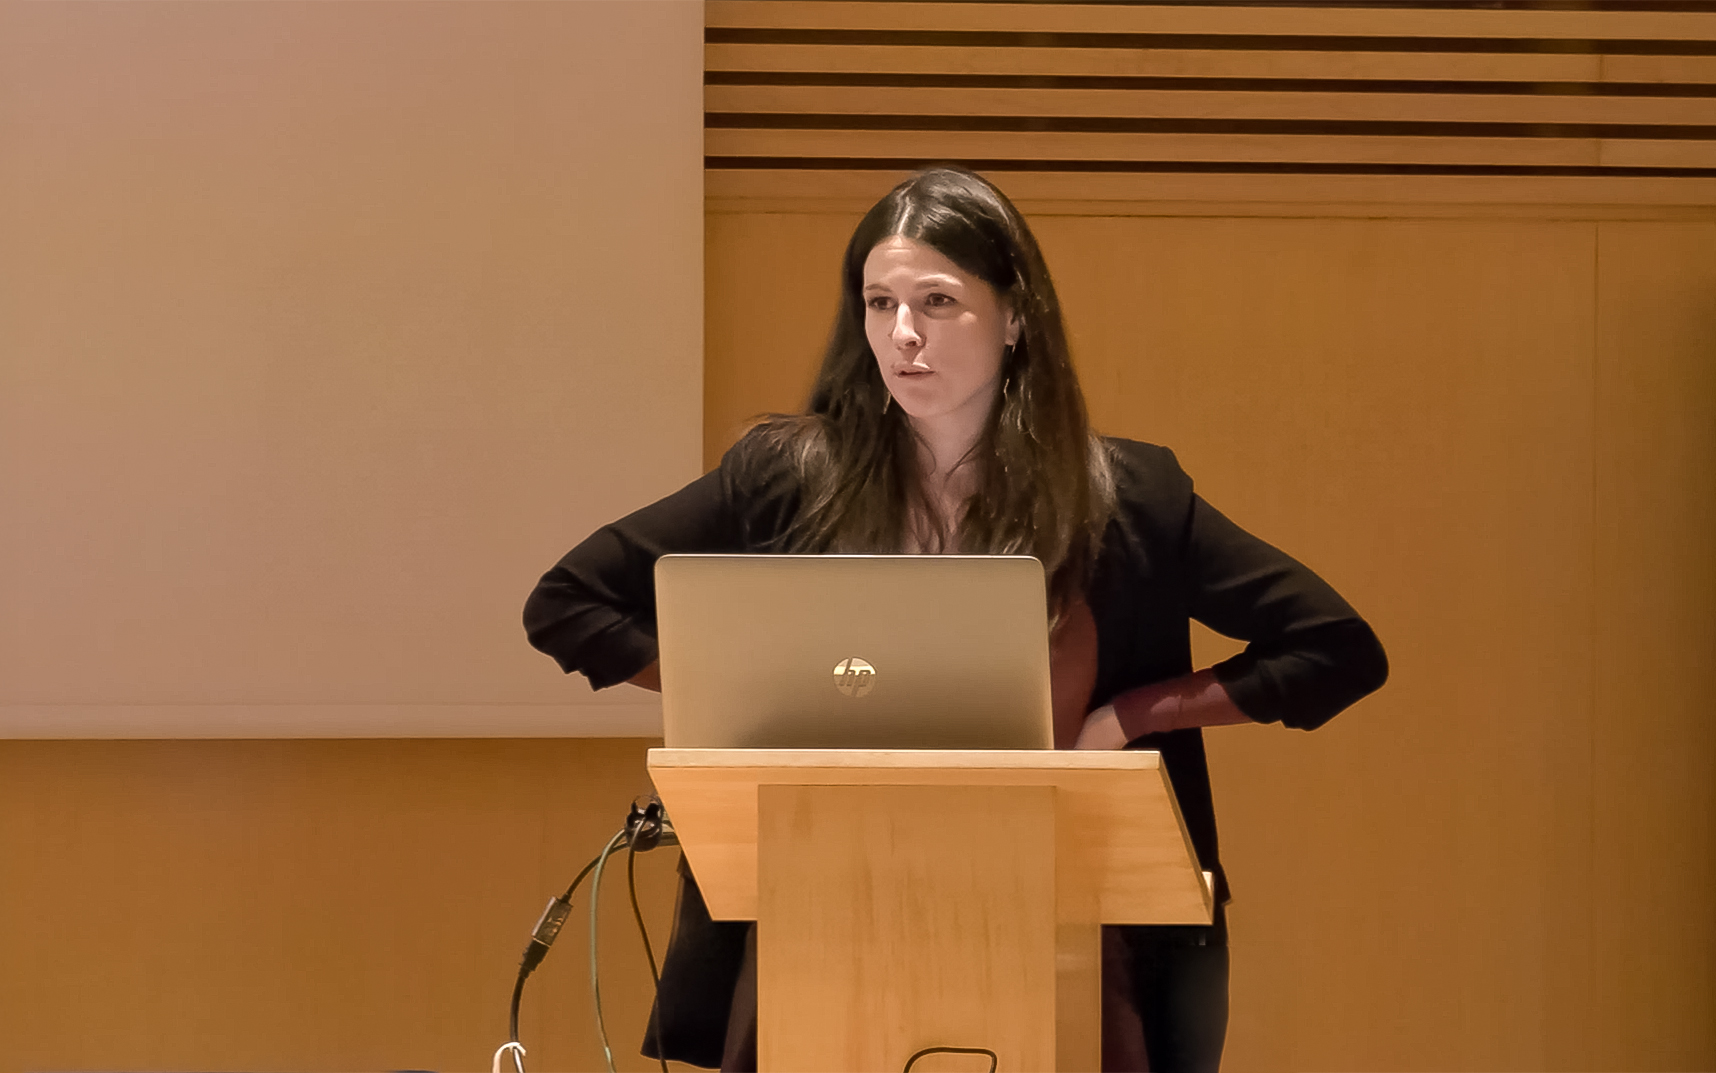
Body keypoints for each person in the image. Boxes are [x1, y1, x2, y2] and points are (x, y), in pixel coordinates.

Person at [521, 167, 1388, 1072]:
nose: (902, 335)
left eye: (937, 301)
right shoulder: (785, 476)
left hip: (1070, 923)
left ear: (1015, 318)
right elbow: (567, 602)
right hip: (818, 908)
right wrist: (730, 692)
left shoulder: (1125, 496)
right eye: (878, 301)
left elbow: (1333, 647)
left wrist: (1129, 718)